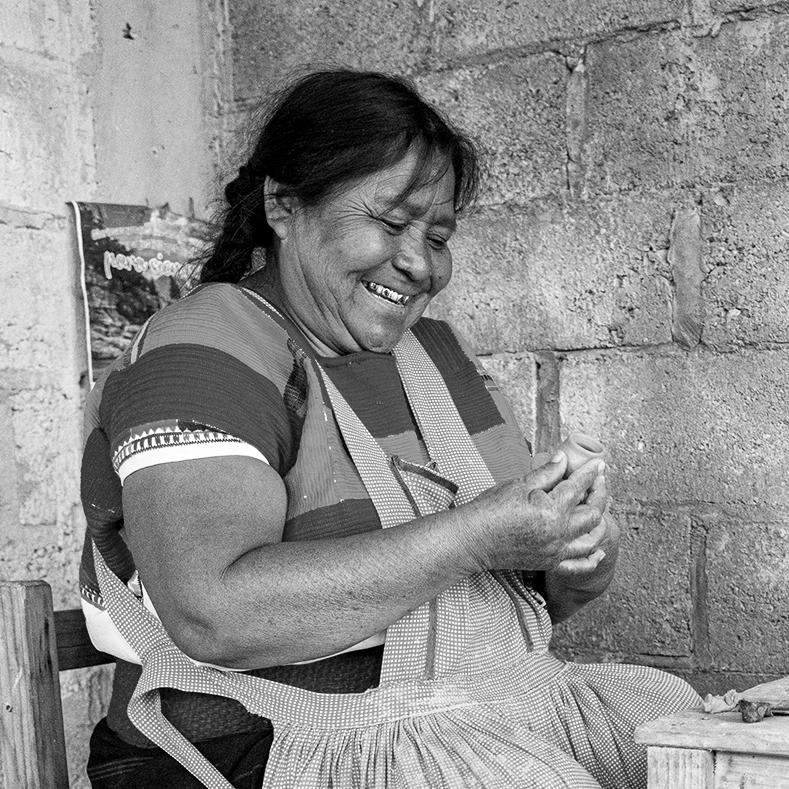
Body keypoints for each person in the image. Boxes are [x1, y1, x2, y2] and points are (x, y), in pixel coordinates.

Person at [79, 69, 700, 789]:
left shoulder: (437, 354)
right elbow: (212, 609)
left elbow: (498, 601)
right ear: (284, 204)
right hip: (250, 749)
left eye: (436, 235)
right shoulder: (207, 346)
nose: (418, 262)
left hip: (463, 715)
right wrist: (477, 534)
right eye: (391, 222)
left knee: (700, 754)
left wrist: (569, 559)